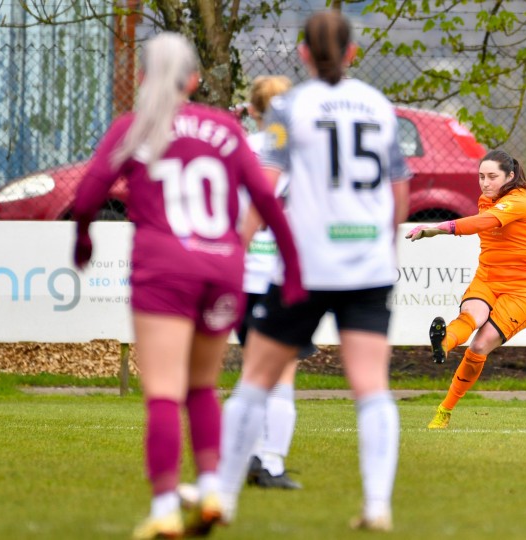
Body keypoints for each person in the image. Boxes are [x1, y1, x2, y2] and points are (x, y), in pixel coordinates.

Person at [71, 32, 305, 540]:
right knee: (202, 386)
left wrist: (82, 241)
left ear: (144, 78)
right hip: (222, 268)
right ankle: (215, 491)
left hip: (164, 267)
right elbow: (266, 200)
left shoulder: (136, 127)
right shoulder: (224, 126)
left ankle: (163, 507)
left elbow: (88, 192)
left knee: (162, 391)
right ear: (195, 80)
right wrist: (292, 266)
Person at [218, 10, 411, 532]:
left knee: (255, 380)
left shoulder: (290, 106)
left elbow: (266, 186)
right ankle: (376, 505)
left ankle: (224, 498)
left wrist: (237, 245)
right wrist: (385, 247)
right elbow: (398, 191)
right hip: (367, 267)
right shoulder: (377, 105)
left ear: (303, 53)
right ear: (352, 53)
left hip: (305, 267)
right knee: (372, 386)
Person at [405, 149, 526, 429]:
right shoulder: (486, 199)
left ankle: (444, 411)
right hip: (489, 277)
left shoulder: (519, 201)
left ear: (510, 176)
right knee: (469, 317)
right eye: (481, 176)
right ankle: (443, 344)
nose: (485, 183)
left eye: (492, 177)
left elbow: (484, 222)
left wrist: (439, 228)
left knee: (480, 344)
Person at [237, 74, 314, 490]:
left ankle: (246, 455)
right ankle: (270, 461)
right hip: (282, 275)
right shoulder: (303, 154)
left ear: (251, 111)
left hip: (243, 273)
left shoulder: (239, 150)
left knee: (252, 370)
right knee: (282, 372)